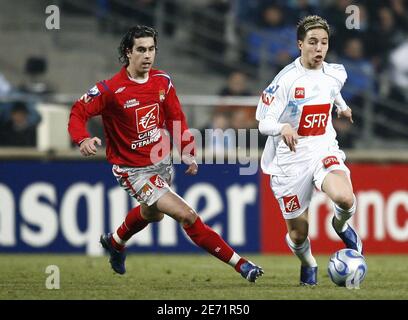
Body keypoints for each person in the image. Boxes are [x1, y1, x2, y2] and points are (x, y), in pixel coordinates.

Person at [68, 25, 263, 282]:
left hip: (161, 162)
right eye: (141, 50)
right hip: (133, 170)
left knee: (152, 214)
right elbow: (78, 113)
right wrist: (82, 138)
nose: (147, 55)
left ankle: (115, 242)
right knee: (187, 215)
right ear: (128, 52)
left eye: (151, 49)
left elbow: (176, 118)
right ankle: (242, 265)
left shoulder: (162, 81)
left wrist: (187, 151)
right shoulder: (110, 90)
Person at [256, 15, 362, 286]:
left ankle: (340, 226)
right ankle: (309, 263)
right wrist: (283, 129)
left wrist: (341, 106)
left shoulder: (336, 71)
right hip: (289, 161)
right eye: (313, 42)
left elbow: (332, 89)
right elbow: (263, 121)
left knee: (345, 198)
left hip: (322, 148)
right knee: (299, 234)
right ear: (300, 44)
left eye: (324, 43)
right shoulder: (286, 81)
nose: (319, 48)